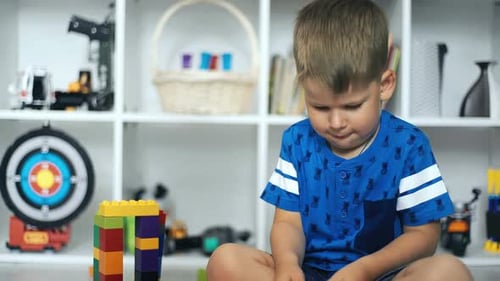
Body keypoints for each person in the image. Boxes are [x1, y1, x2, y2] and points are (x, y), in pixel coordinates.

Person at [206, 0, 473, 280]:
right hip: (309, 273)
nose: (335, 123)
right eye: (320, 107)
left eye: (351, 106)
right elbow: (288, 223)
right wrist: (287, 264)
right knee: (226, 260)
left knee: (449, 272)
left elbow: (423, 236)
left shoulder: (409, 145)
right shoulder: (297, 141)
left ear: (384, 85)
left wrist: (365, 269)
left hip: (381, 274)